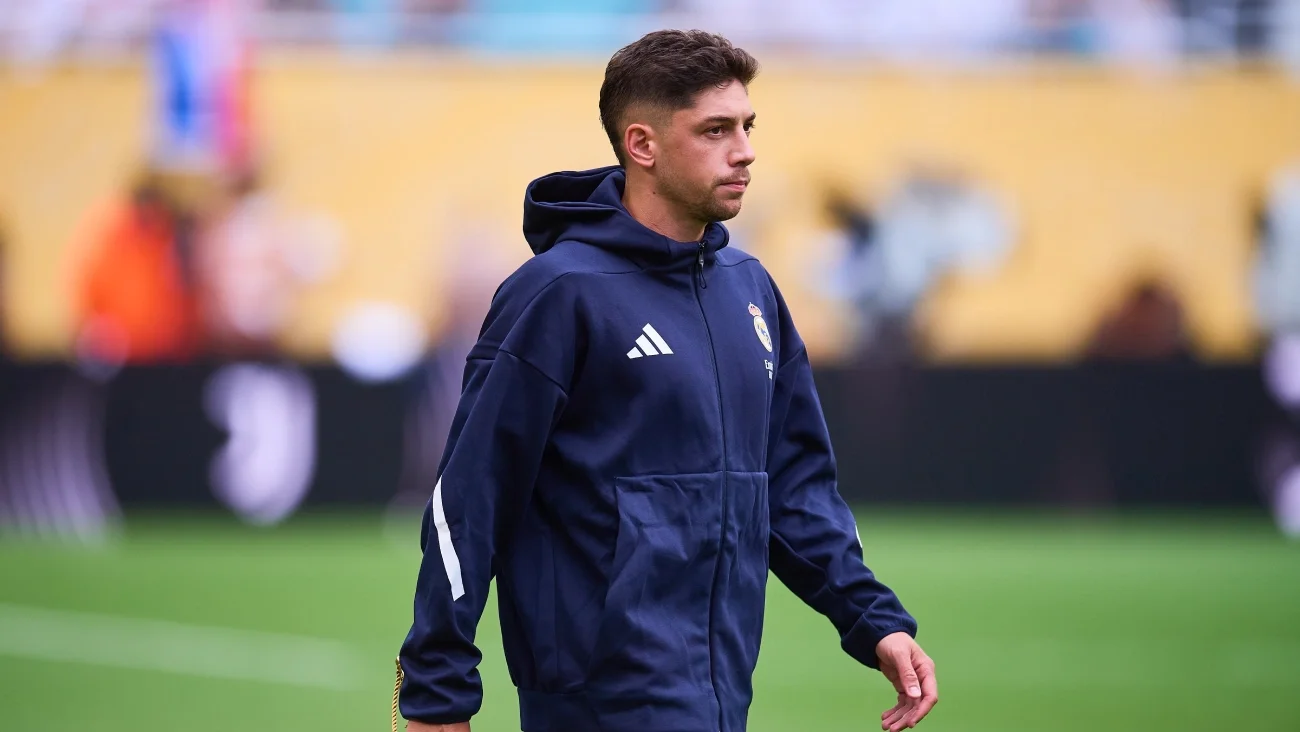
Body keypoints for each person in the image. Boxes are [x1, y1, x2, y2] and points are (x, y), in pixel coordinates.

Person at [395, 30, 937, 732]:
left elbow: (794, 488)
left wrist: (872, 617)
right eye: (714, 130)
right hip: (594, 704)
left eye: (746, 126)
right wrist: (436, 689)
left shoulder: (751, 290)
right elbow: (471, 501)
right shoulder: (558, 294)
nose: (744, 151)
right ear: (642, 144)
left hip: (721, 697)